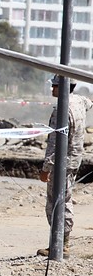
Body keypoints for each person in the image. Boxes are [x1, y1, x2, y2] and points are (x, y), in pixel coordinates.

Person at [37, 75, 93, 258]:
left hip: (61, 163)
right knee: (64, 198)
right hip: (74, 160)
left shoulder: (61, 109)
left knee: (57, 202)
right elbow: (89, 102)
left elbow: (55, 142)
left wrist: (46, 168)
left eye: (54, 86)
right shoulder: (79, 101)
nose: (52, 89)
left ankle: (61, 245)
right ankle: (60, 243)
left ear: (62, 88)